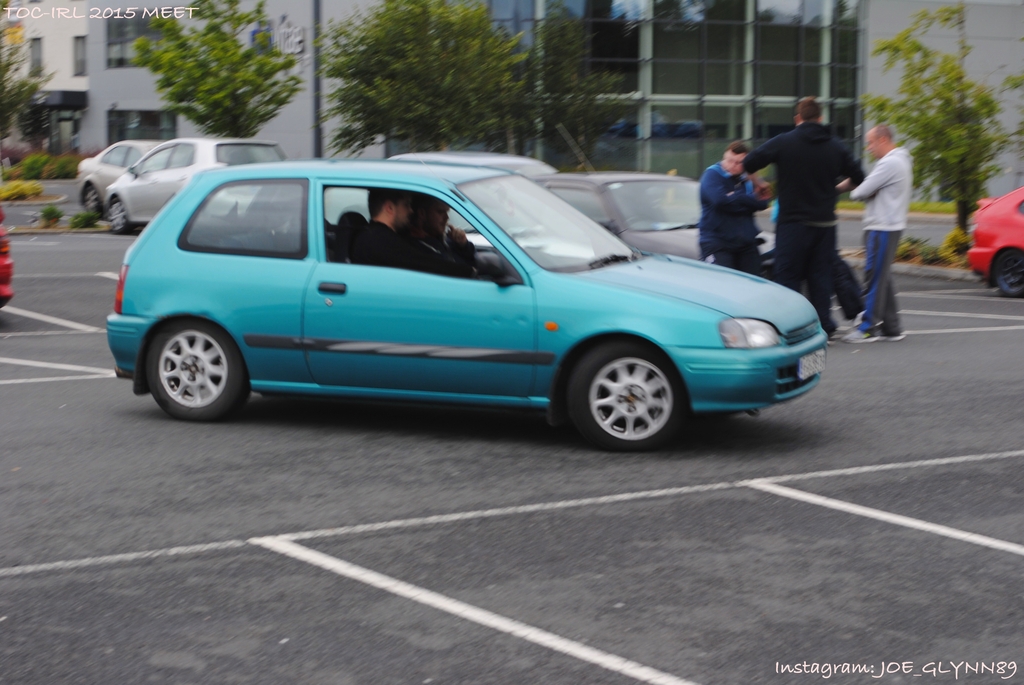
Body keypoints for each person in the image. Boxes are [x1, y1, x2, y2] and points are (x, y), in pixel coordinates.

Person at [743, 97, 865, 338]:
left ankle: (788, 327)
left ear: (797, 119)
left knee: (787, 275)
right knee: (820, 277)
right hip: (825, 225)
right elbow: (859, 176)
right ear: (820, 118)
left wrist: (759, 183)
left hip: (793, 223)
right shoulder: (836, 146)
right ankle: (823, 326)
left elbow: (749, 162)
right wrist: (836, 189)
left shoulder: (784, 142)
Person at [837, 124, 912, 343]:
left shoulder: (889, 163)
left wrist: (855, 189)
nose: (868, 148)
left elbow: (859, 192)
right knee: (883, 276)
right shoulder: (902, 160)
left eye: (870, 143)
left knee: (874, 277)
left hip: (882, 227)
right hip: (890, 225)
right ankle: (892, 327)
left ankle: (867, 328)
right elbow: (870, 188)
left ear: (882, 140)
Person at [350, 189, 476, 279]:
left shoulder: (378, 236)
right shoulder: (379, 240)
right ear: (389, 208)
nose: (410, 211)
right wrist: (470, 272)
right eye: (406, 205)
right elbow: (425, 263)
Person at [697, 140, 769, 275]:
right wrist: (748, 201)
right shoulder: (712, 175)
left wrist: (735, 196)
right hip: (718, 243)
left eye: (738, 162)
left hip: (746, 244)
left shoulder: (750, 178)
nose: (732, 165)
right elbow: (720, 201)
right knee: (723, 285)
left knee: (753, 285)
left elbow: (762, 203)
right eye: (729, 160)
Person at [405, 194, 476, 267]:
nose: (447, 217)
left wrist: (463, 245)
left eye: (447, 212)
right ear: (422, 213)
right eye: (441, 212)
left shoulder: (445, 239)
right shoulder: (416, 249)